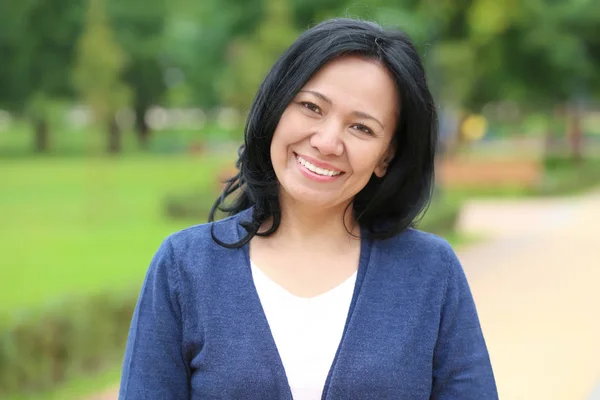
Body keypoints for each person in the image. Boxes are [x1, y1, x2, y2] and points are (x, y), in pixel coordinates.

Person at [119, 18, 498, 400]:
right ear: (277, 108)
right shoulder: (185, 267)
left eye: (362, 128)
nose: (328, 141)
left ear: (387, 157)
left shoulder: (431, 272)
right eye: (311, 107)